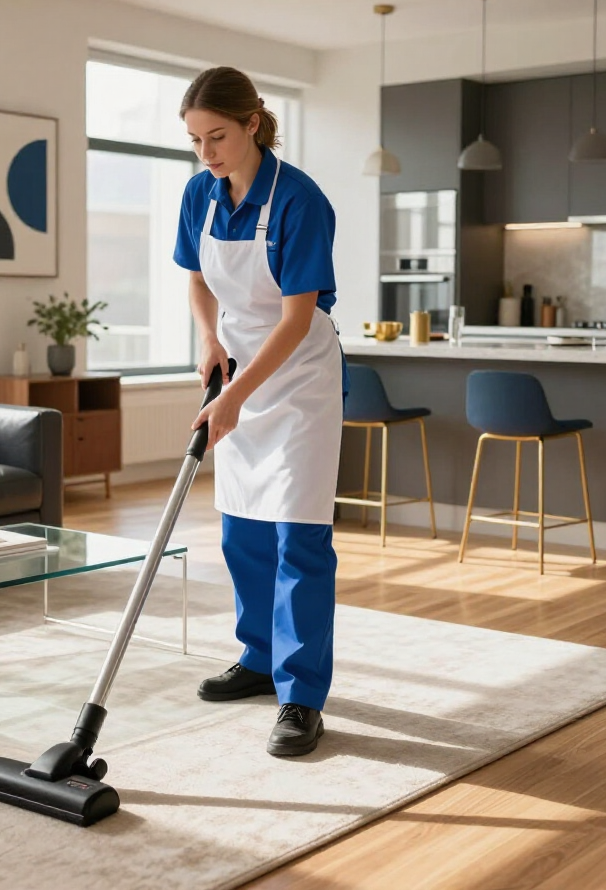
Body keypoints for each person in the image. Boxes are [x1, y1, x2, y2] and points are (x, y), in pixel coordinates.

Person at [173, 66, 345, 757]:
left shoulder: (300, 199)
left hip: (298, 379)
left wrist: (236, 398)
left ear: (253, 122)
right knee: (242, 531)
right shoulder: (200, 194)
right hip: (239, 364)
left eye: (217, 136)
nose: (207, 153)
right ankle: (258, 657)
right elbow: (195, 275)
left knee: (296, 537)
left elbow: (299, 317)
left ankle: (302, 697)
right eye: (194, 140)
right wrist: (209, 340)